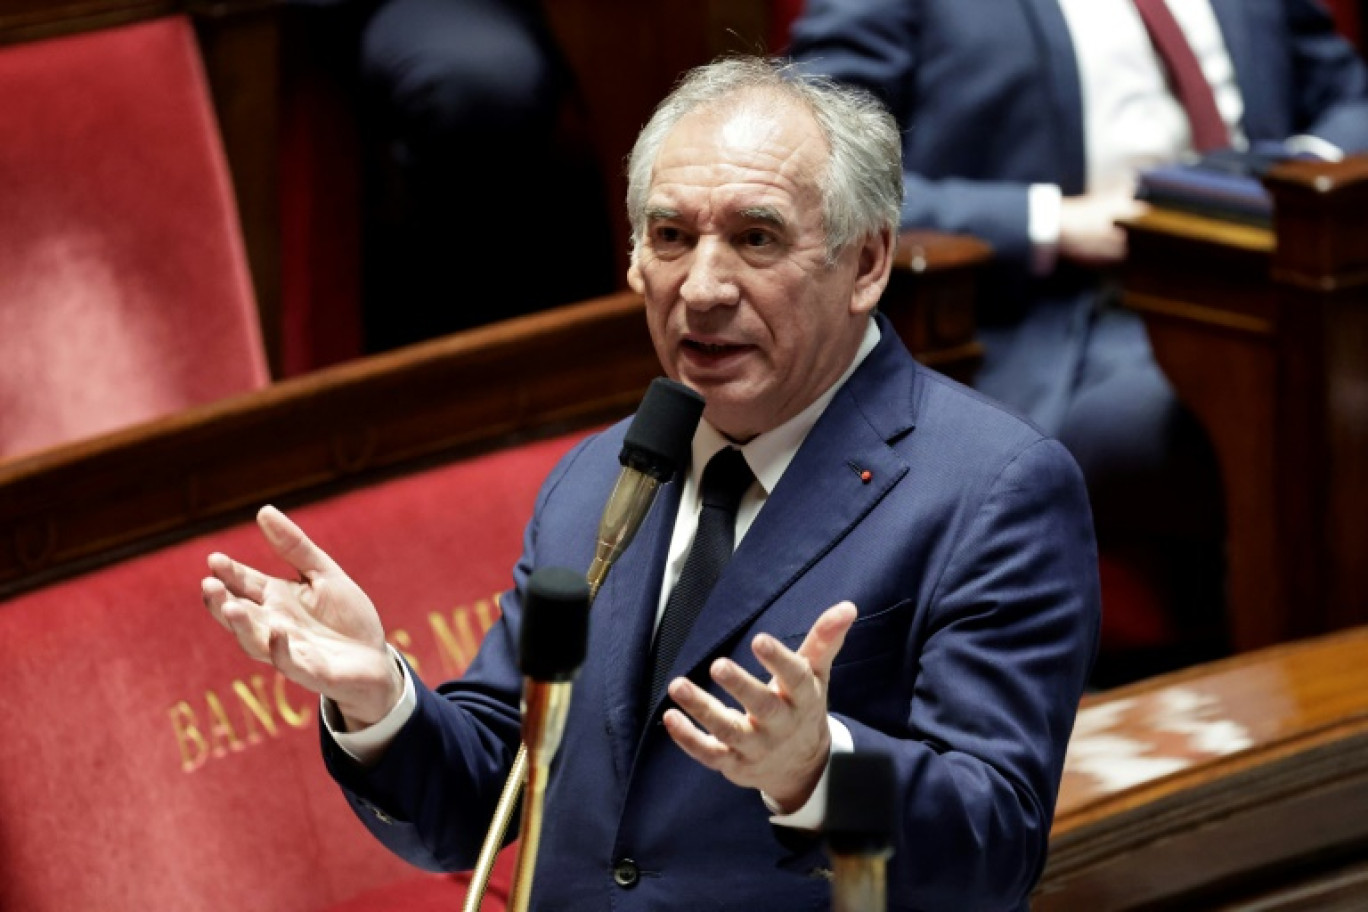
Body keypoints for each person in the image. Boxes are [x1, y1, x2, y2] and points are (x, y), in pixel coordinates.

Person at [200, 57, 1100, 910]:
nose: (703, 287)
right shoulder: (600, 477)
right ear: (634, 259)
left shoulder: (992, 489)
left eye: (756, 239)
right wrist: (380, 700)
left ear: (866, 263)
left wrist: (817, 771)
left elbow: (996, 844)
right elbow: (488, 789)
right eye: (672, 237)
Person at [789, 0, 1368, 681]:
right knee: (1288, 407)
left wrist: (1295, 177)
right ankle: (1313, 726)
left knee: (1316, 383)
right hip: (1076, 324)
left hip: (1295, 287)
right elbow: (810, 173)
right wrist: (1051, 223)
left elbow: (1349, 99)